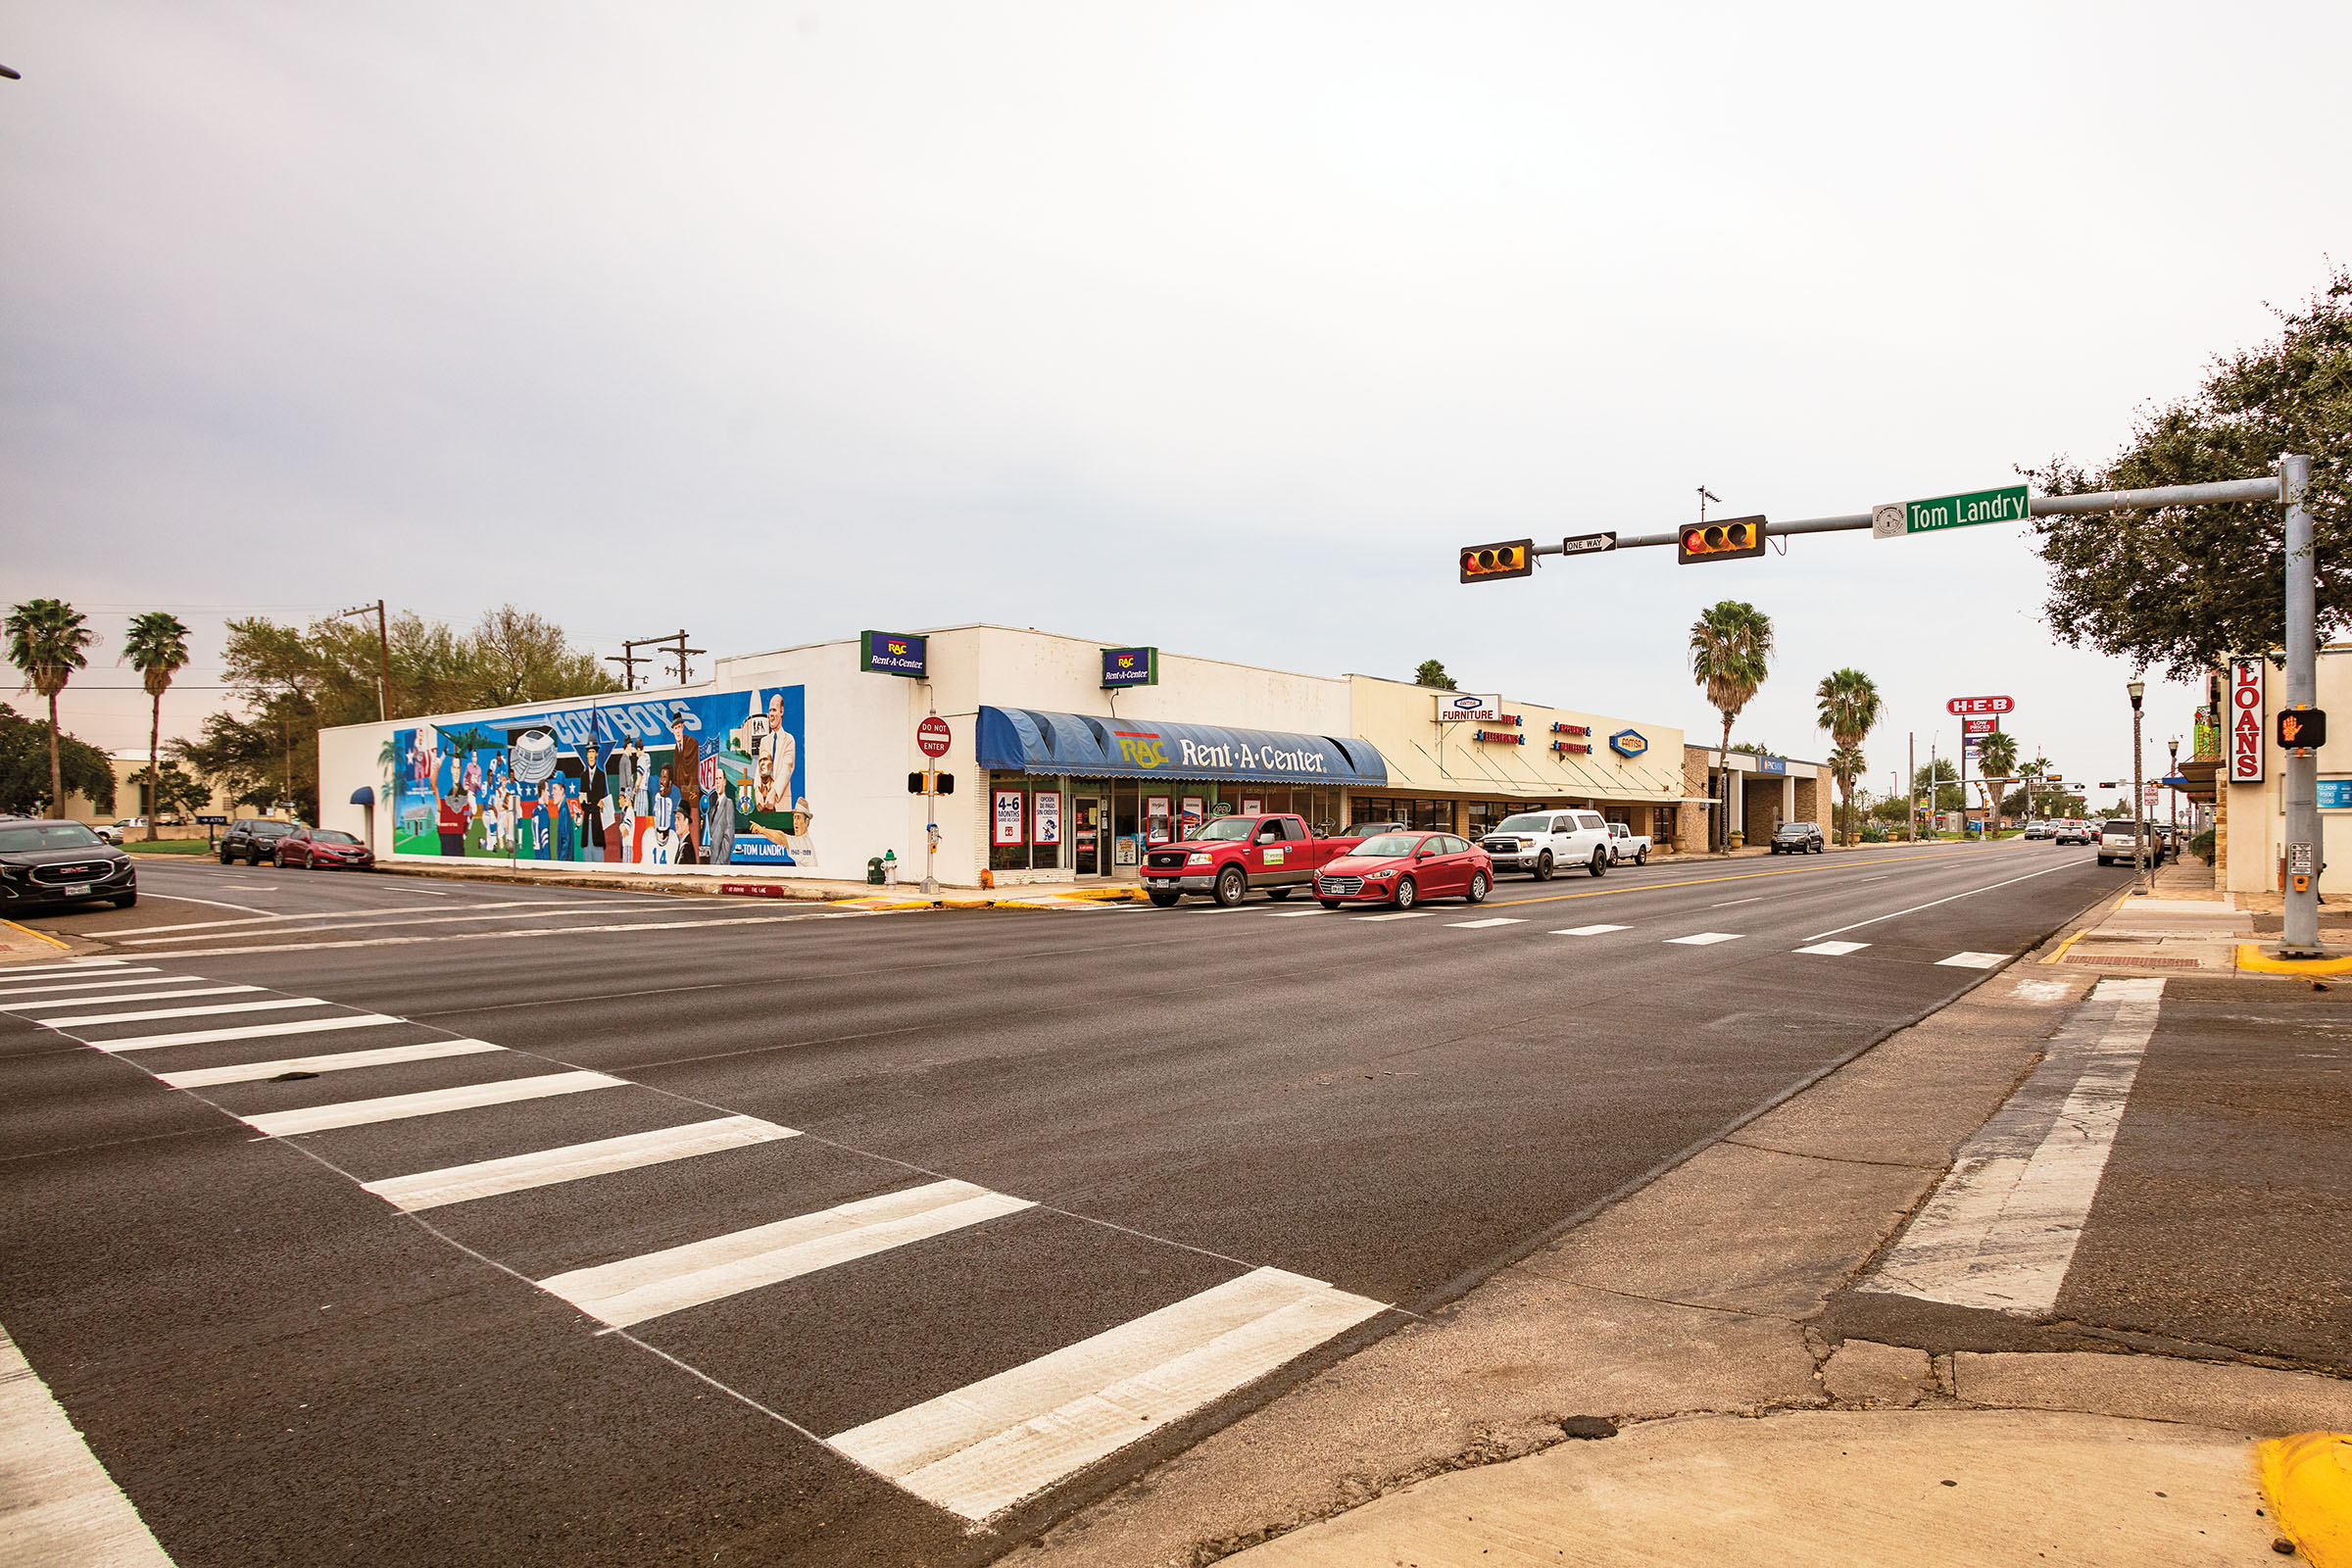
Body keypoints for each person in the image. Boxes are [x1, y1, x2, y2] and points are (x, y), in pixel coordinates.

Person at [668, 709, 700, 861]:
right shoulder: (676, 749)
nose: (678, 731)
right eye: (675, 728)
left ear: (683, 727)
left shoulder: (691, 743)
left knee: (692, 832)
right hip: (684, 797)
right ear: (673, 730)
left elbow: (690, 772)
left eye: (679, 727)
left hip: (692, 797)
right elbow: (679, 775)